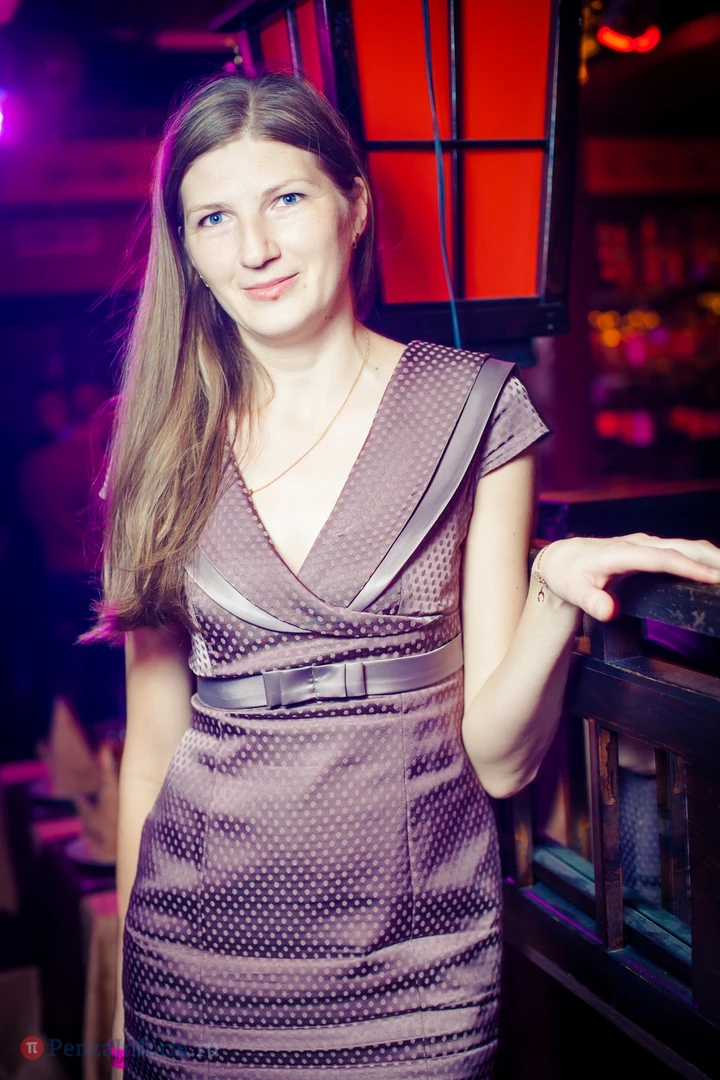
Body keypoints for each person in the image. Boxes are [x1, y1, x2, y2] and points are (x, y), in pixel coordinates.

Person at [90, 73, 720, 1078]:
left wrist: (554, 586)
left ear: (354, 206)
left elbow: (501, 764)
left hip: (416, 961)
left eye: (286, 199)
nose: (254, 248)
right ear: (189, 250)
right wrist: (127, 1004)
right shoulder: (162, 442)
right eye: (215, 218)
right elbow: (154, 746)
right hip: (198, 958)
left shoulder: (476, 408)